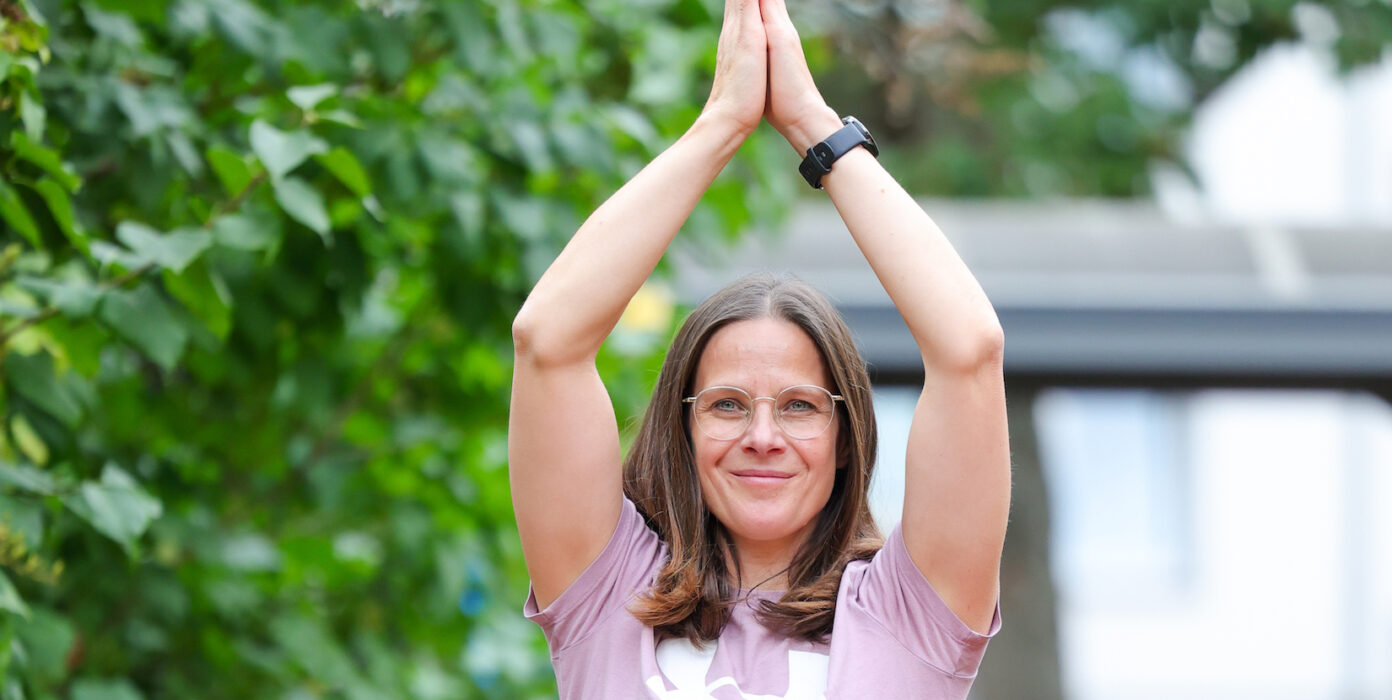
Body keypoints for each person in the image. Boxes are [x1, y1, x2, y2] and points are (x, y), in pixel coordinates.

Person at [507, 0, 1010, 695]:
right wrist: (722, 124)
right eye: (727, 404)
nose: (763, 437)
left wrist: (813, 126)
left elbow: (971, 351)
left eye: (801, 406)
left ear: (846, 433)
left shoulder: (911, 616)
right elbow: (546, 342)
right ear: (682, 427)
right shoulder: (607, 591)